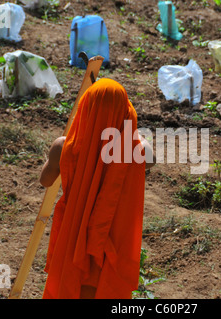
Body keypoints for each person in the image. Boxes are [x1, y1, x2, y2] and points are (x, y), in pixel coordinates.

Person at [39, 78, 154, 299]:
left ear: (85, 107)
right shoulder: (137, 150)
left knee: (71, 284)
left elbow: (45, 181)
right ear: (126, 110)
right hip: (111, 233)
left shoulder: (64, 146)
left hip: (73, 232)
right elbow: (151, 160)